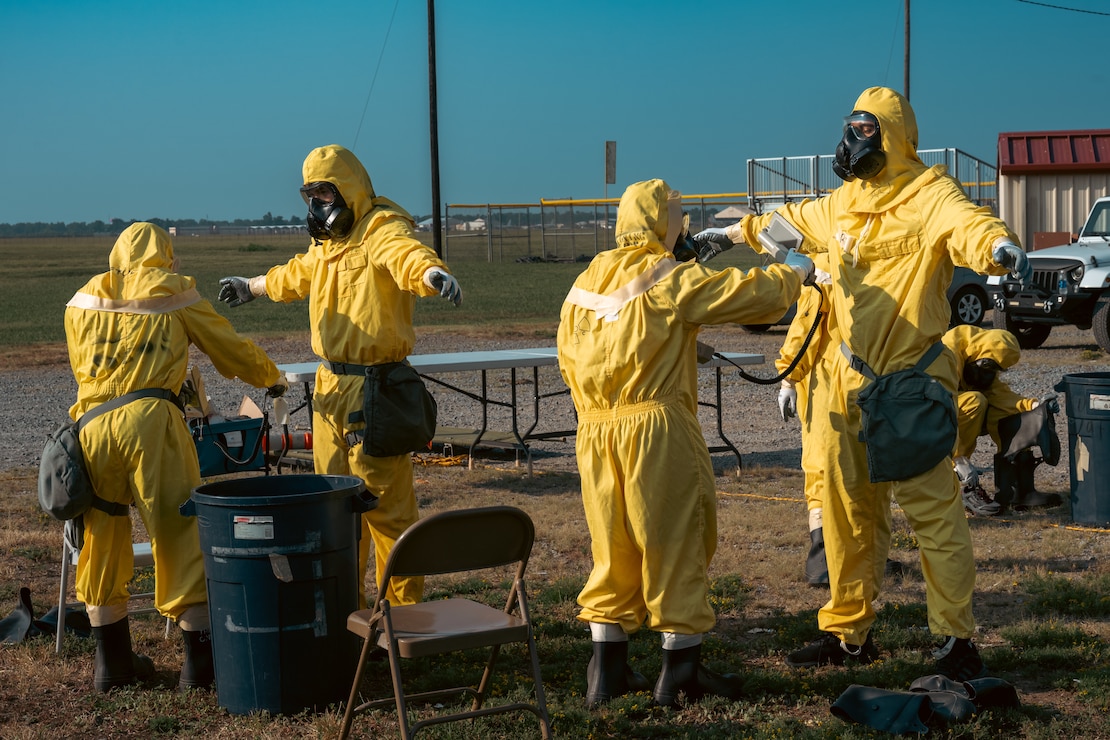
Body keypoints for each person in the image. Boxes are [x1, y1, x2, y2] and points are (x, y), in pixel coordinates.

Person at [696, 87, 1033, 681]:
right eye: (850, 128)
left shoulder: (931, 195)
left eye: (865, 130)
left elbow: (969, 224)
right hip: (842, 385)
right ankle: (848, 635)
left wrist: (998, 248)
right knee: (846, 515)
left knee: (935, 521)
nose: (851, 142)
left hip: (909, 386)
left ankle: (955, 642)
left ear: (893, 136)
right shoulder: (842, 202)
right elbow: (787, 220)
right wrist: (724, 238)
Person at [557, 179, 813, 708]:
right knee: (676, 540)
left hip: (595, 430)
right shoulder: (670, 277)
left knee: (613, 545)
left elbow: (586, 351)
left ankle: (606, 676)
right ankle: (680, 674)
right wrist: (795, 272)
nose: (687, 233)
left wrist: (672, 348)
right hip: (657, 431)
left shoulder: (585, 280)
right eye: (681, 223)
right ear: (665, 225)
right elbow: (753, 299)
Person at [218, 144, 462, 610]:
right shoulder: (329, 245)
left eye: (325, 196)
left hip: (375, 389)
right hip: (330, 387)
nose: (317, 208)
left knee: (386, 510)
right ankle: (342, 610)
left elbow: (404, 255)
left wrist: (430, 272)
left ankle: (401, 616)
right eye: (310, 197)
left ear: (348, 192)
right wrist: (252, 287)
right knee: (334, 510)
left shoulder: (380, 229)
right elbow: (297, 274)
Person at [64, 222, 287, 692]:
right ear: (165, 255)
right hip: (152, 424)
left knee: (102, 537)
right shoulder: (174, 293)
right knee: (178, 529)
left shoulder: (82, 300)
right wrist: (272, 378)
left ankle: (113, 668)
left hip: (91, 427)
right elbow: (228, 349)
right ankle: (199, 669)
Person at [942, 324, 1062, 515]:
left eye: (995, 370)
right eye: (988, 367)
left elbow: (1000, 395)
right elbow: (940, 400)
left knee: (1004, 412)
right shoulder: (948, 352)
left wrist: (1035, 406)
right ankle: (958, 477)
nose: (989, 374)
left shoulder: (982, 353)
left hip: (954, 407)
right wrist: (956, 460)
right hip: (930, 411)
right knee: (975, 400)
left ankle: (1018, 492)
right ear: (981, 355)